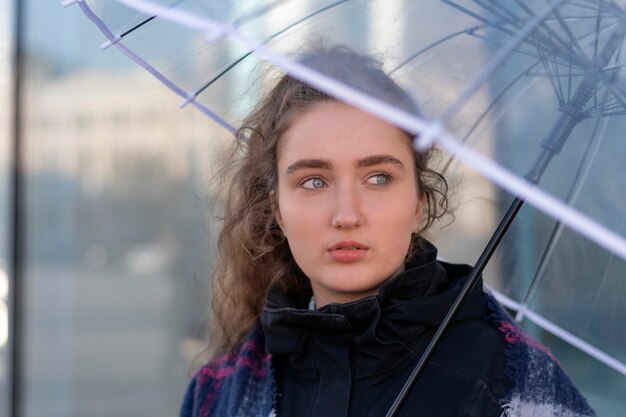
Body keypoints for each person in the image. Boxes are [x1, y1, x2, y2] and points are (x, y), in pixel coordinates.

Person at [179, 44, 596, 417]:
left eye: (378, 178)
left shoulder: (517, 385)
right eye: (313, 181)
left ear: (419, 204)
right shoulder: (220, 392)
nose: (346, 215)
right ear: (277, 210)